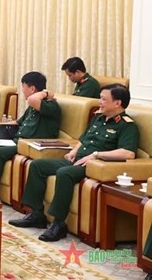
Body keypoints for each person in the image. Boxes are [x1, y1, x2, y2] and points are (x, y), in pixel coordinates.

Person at [9, 83, 138, 242]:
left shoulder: (127, 125)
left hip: (93, 166)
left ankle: (58, 223)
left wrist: (96, 155)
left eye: (103, 99)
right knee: (37, 166)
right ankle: (36, 214)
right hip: (77, 159)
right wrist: (73, 151)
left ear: (117, 103)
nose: (100, 102)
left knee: (64, 173)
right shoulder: (98, 117)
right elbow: (83, 139)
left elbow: (128, 153)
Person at [0, 71, 61, 197]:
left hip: (29, 144)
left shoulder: (51, 106)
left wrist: (46, 93)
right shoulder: (33, 107)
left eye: (24, 87)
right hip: (17, 140)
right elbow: (18, 122)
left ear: (32, 89)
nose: (23, 91)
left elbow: (32, 99)